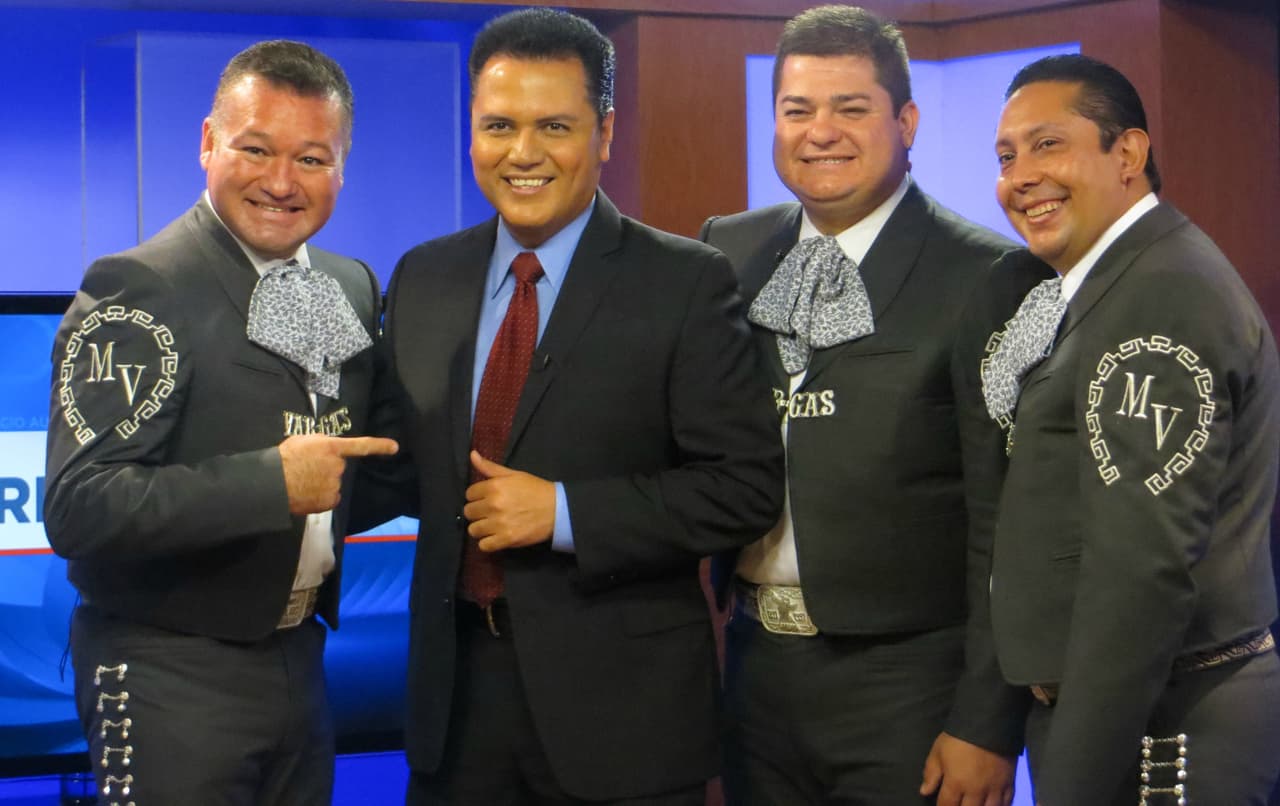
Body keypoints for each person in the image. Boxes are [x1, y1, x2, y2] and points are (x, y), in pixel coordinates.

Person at [372, 8, 784, 805]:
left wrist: (562, 512)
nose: (522, 153)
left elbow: (743, 487)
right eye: (498, 125)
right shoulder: (423, 277)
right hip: (455, 712)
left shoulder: (686, 283)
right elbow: (400, 460)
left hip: (622, 720)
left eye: (553, 125)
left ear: (604, 133)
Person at [699, 6, 1051, 805]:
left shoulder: (991, 276)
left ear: (906, 122)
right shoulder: (728, 250)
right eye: (797, 110)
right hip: (754, 669)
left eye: (850, 109)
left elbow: (1013, 523)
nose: (820, 131)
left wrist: (987, 721)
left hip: (912, 687)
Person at [43, 40, 397, 805]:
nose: (281, 182)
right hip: (167, 668)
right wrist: (271, 482)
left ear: (342, 167)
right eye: (255, 149)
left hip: (300, 661)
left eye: (312, 158)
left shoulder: (345, 283)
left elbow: (354, 460)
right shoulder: (141, 286)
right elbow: (80, 505)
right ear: (208, 142)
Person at [986, 53, 1280, 805]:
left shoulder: (1160, 294)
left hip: (1163, 733)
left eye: (1049, 144)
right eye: (1006, 155)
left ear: (1128, 154)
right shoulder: (1120, 283)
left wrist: (1075, 784)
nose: (1021, 175)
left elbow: (1141, 573)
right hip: (1132, 722)